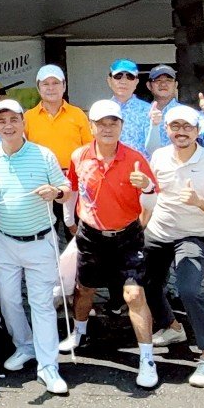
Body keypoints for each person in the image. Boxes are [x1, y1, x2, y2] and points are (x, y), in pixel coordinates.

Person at [58, 100, 160, 389]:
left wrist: (146, 187)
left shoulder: (135, 158)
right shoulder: (79, 155)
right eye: (101, 123)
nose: (107, 128)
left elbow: (152, 199)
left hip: (127, 235)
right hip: (90, 234)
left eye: (113, 122)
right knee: (84, 288)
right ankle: (79, 332)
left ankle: (147, 359)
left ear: (121, 126)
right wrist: (70, 221)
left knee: (133, 295)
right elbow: (73, 190)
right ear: (91, 127)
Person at [0, 99, 72, 395]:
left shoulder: (43, 154)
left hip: (40, 240)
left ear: (23, 122)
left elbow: (66, 189)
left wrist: (55, 192)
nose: (8, 126)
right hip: (4, 241)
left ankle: (48, 365)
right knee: (8, 301)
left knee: (41, 303)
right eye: (1, 121)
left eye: (13, 120)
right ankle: (25, 346)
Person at [142, 105, 204, 388]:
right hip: (159, 231)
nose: (180, 132)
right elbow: (152, 194)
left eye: (187, 127)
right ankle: (172, 327)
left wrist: (199, 202)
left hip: (194, 235)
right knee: (146, 283)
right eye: (175, 126)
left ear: (197, 130)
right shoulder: (159, 156)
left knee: (189, 290)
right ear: (166, 130)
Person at [24, 64, 92, 172]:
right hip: (40, 177)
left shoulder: (78, 114)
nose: (51, 88)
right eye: (45, 84)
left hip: (73, 176)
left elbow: (90, 148)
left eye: (56, 83)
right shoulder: (28, 117)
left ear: (64, 86)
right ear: (38, 88)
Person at [143, 64, 204, 153]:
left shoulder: (190, 113)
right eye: (158, 80)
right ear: (149, 86)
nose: (163, 84)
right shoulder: (138, 112)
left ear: (176, 85)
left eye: (168, 80)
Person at [105, 59, 151, 154]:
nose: (123, 81)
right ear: (109, 81)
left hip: (140, 163)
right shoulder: (102, 110)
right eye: (118, 76)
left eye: (130, 77)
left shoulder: (149, 111)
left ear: (136, 82)